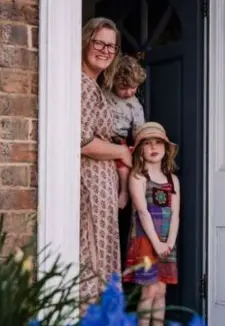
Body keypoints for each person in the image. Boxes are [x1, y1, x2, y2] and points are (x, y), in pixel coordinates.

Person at [79, 17, 133, 301]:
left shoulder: (94, 86)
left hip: (101, 188)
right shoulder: (83, 85)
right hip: (91, 185)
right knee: (93, 256)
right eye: (98, 42)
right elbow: (82, 140)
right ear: (86, 41)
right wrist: (122, 152)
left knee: (100, 253)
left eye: (111, 46)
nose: (104, 50)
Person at [122, 122, 180, 326]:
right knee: (148, 291)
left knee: (161, 291)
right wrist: (156, 243)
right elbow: (143, 212)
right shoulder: (138, 176)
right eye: (147, 144)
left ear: (166, 148)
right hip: (146, 241)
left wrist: (170, 241)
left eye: (158, 143)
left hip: (166, 240)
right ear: (140, 150)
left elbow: (175, 213)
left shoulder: (172, 179)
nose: (153, 147)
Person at [105, 55, 147, 209]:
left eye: (134, 87)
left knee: (124, 166)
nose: (129, 92)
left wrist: (137, 146)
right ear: (113, 82)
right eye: (123, 88)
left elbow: (139, 130)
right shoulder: (104, 94)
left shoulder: (135, 105)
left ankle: (124, 191)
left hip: (118, 138)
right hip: (100, 136)